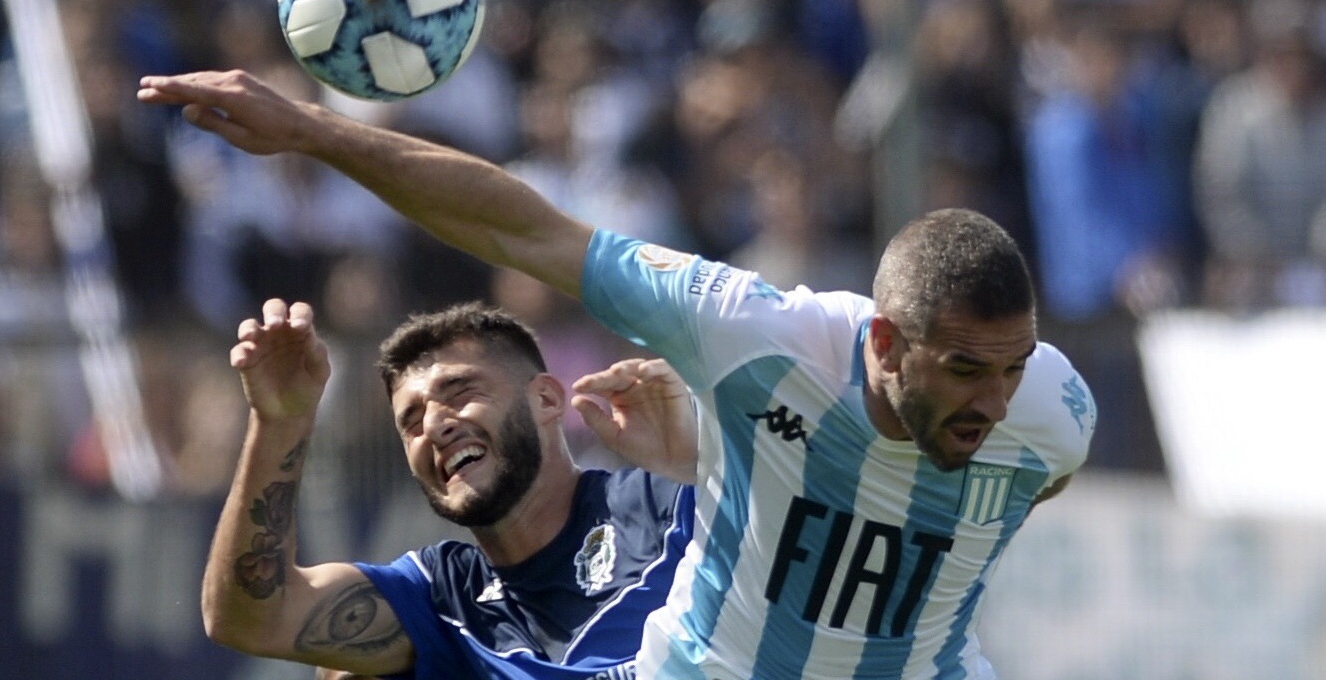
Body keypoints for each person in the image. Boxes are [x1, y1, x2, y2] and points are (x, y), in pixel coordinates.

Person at [140, 69, 1097, 679]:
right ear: (882, 344)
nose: (994, 398)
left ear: (550, 397)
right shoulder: (755, 335)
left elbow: (1031, 472)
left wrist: (699, 448)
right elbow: (524, 227)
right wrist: (317, 132)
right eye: (967, 370)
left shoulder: (1050, 412)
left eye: (1008, 369)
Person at [203, 297, 696, 679]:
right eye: (411, 421)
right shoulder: (445, 602)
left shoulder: (667, 506)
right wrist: (281, 421)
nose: (436, 426)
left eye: (461, 393)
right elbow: (249, 620)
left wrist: (698, 463)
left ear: (546, 399)